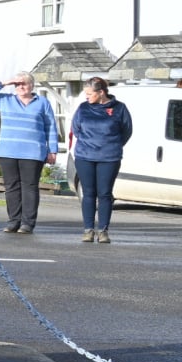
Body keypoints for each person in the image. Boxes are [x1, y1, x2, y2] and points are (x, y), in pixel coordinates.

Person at [0, 70, 60, 235]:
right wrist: (4, 82)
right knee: (11, 188)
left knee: (30, 187)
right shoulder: (5, 100)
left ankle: (27, 223)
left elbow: (50, 126)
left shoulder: (42, 102)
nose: (21, 87)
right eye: (18, 84)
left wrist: (53, 150)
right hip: (7, 152)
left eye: (24, 83)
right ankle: (13, 221)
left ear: (32, 85)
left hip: (33, 153)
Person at [68, 76, 132, 245]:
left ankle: (103, 231)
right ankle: (88, 230)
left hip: (109, 157)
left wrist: (111, 145)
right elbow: (76, 129)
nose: (86, 97)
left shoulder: (119, 109)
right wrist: (89, 144)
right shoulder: (83, 108)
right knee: (88, 193)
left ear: (101, 92)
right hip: (85, 156)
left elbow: (126, 131)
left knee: (104, 193)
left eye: (89, 93)